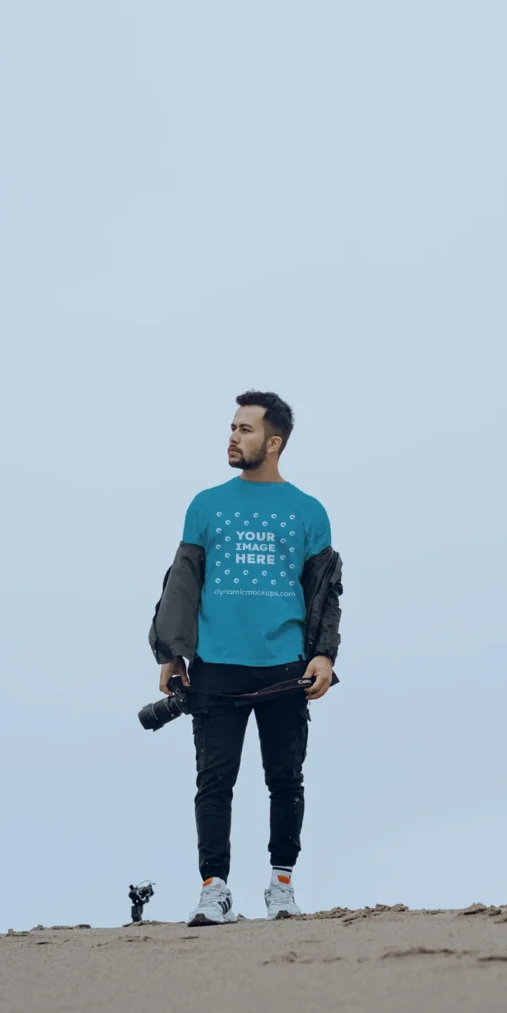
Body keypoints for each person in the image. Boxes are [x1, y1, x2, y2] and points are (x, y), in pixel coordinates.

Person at [149, 391, 343, 926]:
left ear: (274, 442)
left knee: (285, 779)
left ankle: (282, 887)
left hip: (285, 668)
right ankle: (215, 890)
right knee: (214, 782)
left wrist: (324, 654)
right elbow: (182, 584)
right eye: (232, 427)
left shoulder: (308, 512)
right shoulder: (206, 504)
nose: (233, 437)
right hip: (214, 667)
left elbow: (324, 592)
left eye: (246, 429)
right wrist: (173, 654)